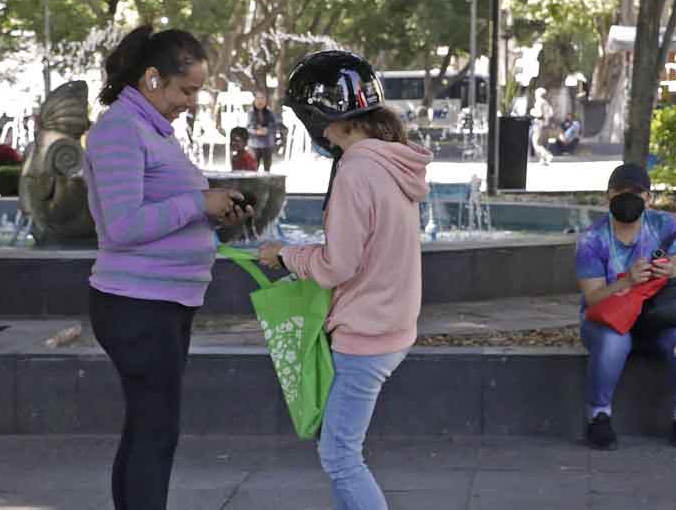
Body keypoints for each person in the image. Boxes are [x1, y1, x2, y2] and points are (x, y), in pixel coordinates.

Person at [84, 25, 250, 510]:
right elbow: (122, 226)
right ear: (153, 79)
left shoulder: (152, 131)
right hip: (136, 303)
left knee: (151, 428)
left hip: (162, 301)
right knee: (154, 431)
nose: (192, 101)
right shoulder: (119, 129)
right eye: (187, 89)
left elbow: (171, 212)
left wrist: (220, 215)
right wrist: (199, 203)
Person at [259, 50, 432, 510]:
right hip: (392, 325)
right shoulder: (393, 161)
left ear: (318, 117)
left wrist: (285, 255)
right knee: (343, 452)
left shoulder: (357, 170)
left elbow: (339, 265)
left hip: (366, 334)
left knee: (339, 455)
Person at [576, 163, 676, 451]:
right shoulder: (591, 240)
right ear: (608, 196)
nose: (629, 198)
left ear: (648, 198)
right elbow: (593, 297)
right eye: (622, 192)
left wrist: (669, 270)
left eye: (637, 193)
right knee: (613, 342)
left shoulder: (663, 225)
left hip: (660, 316)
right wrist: (627, 281)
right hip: (608, 319)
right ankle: (599, 416)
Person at [247, 89, 278, 172]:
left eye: (262, 98)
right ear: (255, 100)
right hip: (254, 145)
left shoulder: (270, 112)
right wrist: (256, 131)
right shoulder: (250, 113)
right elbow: (248, 127)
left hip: (267, 144)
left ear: (265, 100)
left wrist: (267, 130)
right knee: (253, 169)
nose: (260, 101)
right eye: (258, 98)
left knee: (267, 169)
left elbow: (275, 126)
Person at [529, 88, 553, 165]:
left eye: (536, 93)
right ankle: (543, 160)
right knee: (541, 142)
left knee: (536, 142)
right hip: (545, 124)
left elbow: (539, 114)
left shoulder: (539, 102)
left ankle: (547, 155)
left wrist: (532, 112)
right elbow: (551, 113)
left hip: (539, 124)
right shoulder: (546, 103)